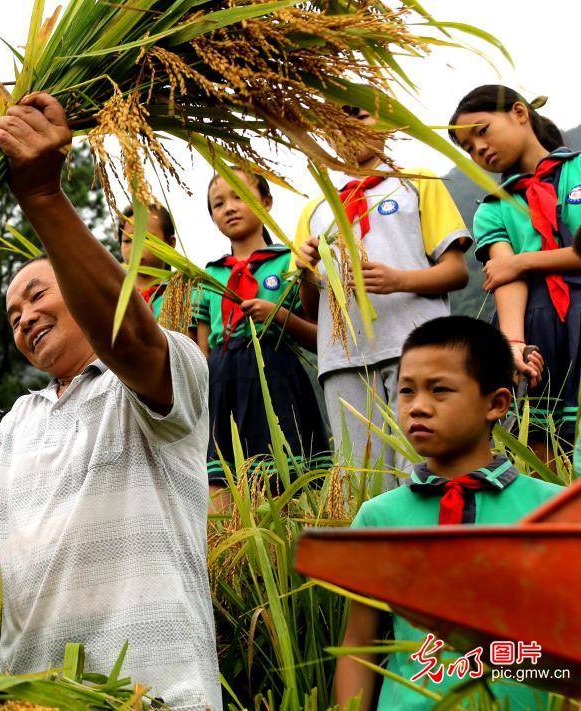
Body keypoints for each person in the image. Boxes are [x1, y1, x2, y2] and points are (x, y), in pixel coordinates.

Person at [0, 93, 221, 709]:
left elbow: (129, 335)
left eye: (39, 294)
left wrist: (43, 198)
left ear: (83, 282)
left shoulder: (164, 373)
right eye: (13, 316)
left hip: (156, 689)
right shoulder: (18, 422)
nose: (26, 316)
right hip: (35, 692)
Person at [333, 316, 561, 710]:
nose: (418, 406)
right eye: (407, 391)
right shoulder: (379, 519)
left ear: (496, 404)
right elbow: (358, 644)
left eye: (440, 390)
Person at [297, 106, 471, 487]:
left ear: (389, 123)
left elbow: (456, 271)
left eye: (360, 116)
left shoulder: (416, 182)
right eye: (334, 122)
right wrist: (306, 271)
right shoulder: (315, 210)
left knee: (424, 469)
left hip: (415, 348)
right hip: (343, 358)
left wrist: (399, 280)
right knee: (361, 483)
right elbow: (312, 308)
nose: (348, 128)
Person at [450, 85, 581, 464]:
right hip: (538, 327)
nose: (479, 149)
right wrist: (513, 342)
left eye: (482, 131)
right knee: (542, 449)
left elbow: (513, 266)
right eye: (468, 148)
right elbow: (505, 277)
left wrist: (524, 261)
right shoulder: (492, 209)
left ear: (520, 113)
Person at [200, 170, 329, 499]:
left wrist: (279, 316)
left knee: (282, 481)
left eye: (240, 196)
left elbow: (320, 338)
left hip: (275, 376)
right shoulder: (208, 276)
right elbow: (201, 353)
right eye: (218, 203)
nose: (229, 207)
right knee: (220, 480)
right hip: (222, 381)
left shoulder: (292, 262)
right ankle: (229, 550)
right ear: (212, 218)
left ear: (266, 202)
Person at [118, 203, 177, 319]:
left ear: (170, 243)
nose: (135, 246)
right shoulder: (114, 297)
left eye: (146, 238)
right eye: (127, 240)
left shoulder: (185, 295)